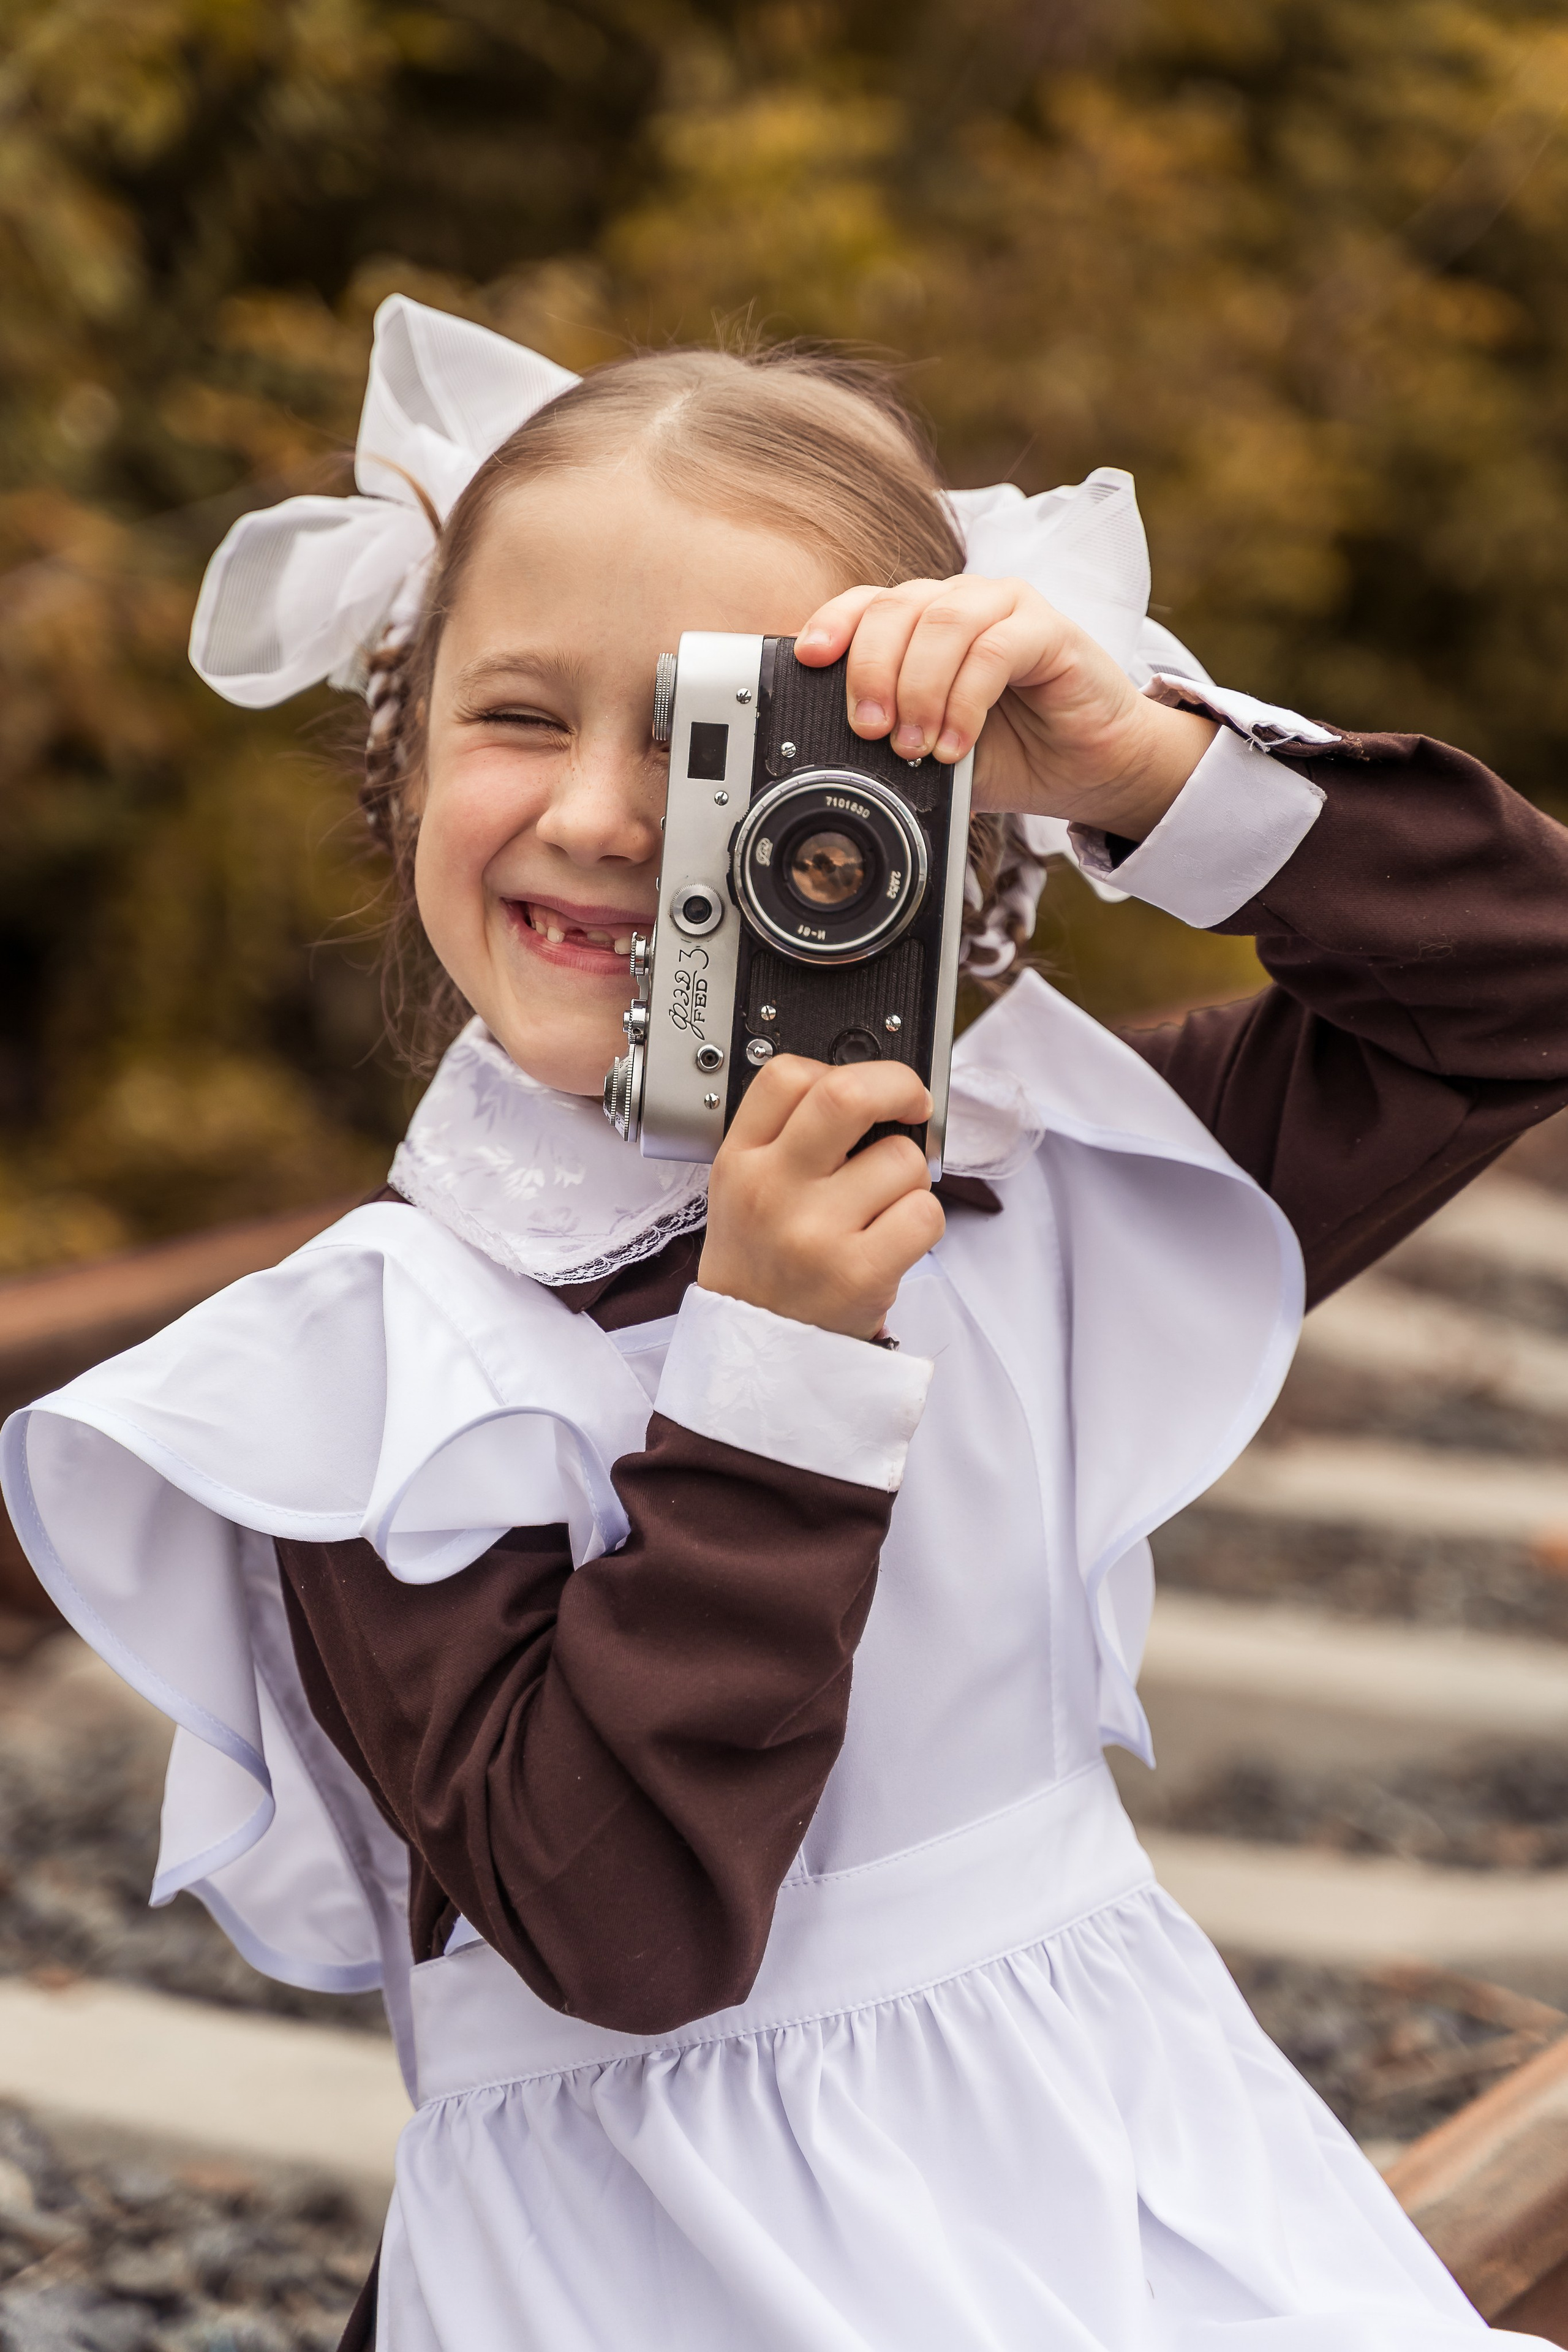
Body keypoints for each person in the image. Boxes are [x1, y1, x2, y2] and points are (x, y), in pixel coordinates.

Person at [5, 295, 1567, 2352]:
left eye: (710, 734)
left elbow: (1523, 986)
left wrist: (1150, 773)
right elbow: (625, 1934)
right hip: (663, 2265)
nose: (598, 813)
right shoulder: (368, 1371)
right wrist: (776, 1376)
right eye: (521, 715)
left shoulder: (1031, 1170)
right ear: (406, 762)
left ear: (916, 793)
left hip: (1106, 2165)